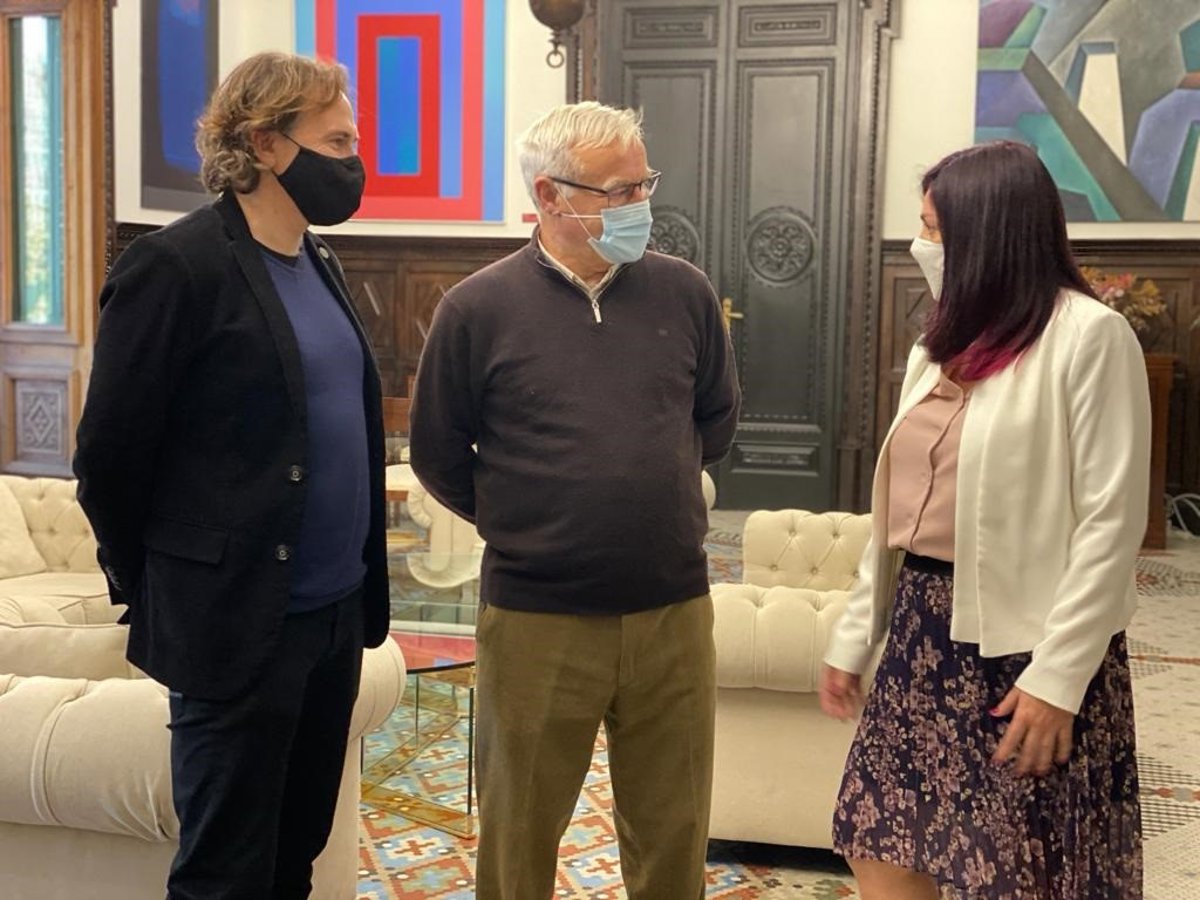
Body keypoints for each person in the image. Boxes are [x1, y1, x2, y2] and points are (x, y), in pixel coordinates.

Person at [73, 52, 390, 899]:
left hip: (333, 618)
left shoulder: (319, 262)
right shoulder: (175, 266)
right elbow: (108, 456)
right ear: (265, 143)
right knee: (224, 874)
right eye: (338, 140)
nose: (354, 160)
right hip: (237, 622)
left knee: (295, 858)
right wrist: (161, 585)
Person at [408, 101, 741, 899]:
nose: (639, 204)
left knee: (673, 832)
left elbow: (715, 420)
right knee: (519, 834)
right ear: (550, 196)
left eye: (643, 184)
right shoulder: (475, 310)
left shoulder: (686, 293)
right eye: (617, 191)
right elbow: (438, 452)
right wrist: (531, 522)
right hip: (536, 617)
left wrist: (638, 491)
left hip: (672, 610)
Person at [818, 140, 1148, 899]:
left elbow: (1110, 526)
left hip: (1026, 649)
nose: (921, 244)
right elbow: (899, 512)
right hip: (922, 635)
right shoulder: (939, 345)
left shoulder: (1090, 338)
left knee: (1018, 868)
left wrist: (1059, 679)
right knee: (880, 838)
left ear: (989, 235)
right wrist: (855, 635)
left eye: (934, 229)